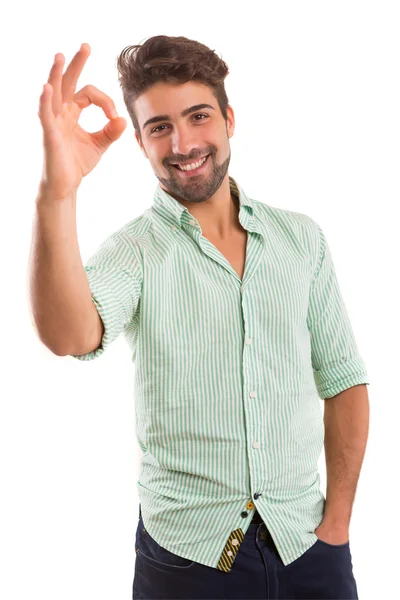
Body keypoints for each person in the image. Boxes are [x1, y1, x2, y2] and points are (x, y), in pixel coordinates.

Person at [29, 35, 370, 600]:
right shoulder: (135, 250)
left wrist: (337, 526)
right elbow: (69, 335)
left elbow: (343, 380)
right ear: (139, 142)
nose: (183, 142)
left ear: (229, 119)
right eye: (159, 126)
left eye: (198, 116)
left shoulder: (300, 240)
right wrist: (56, 195)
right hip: (187, 561)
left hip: (309, 546)